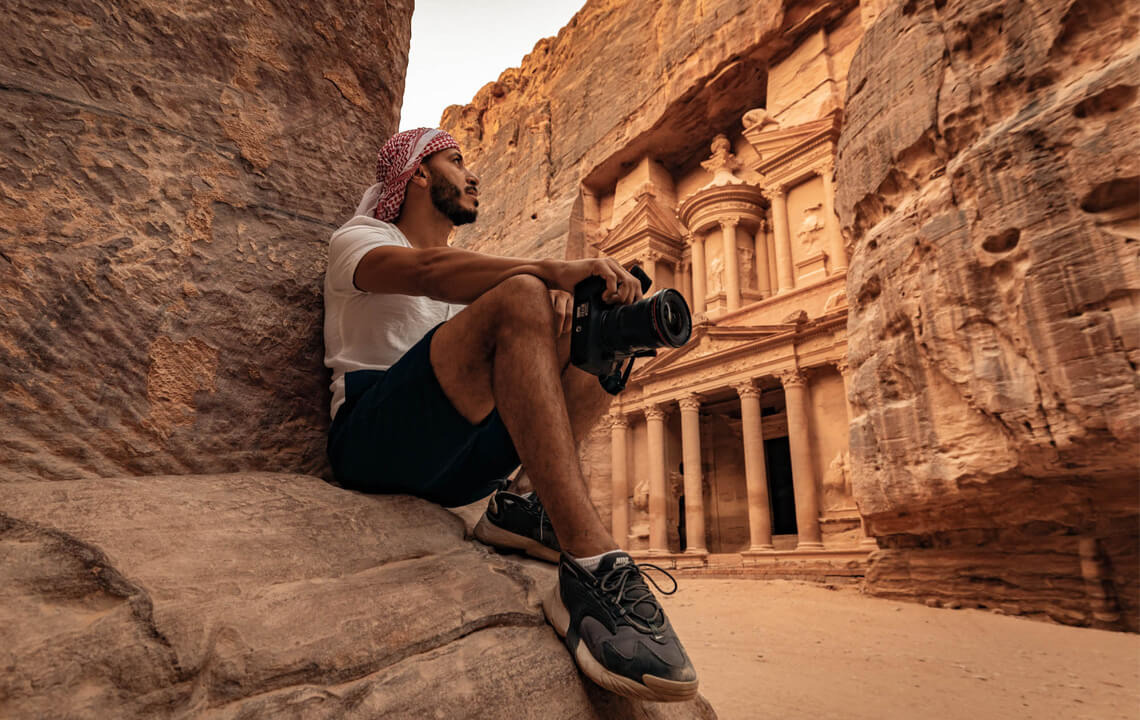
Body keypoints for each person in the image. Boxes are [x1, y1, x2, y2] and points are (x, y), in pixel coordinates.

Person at [323, 128, 698, 702]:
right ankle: (594, 565)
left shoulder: (464, 281)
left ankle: (521, 506)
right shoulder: (360, 238)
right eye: (456, 162)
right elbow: (425, 272)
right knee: (522, 292)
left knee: (597, 332)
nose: (473, 176)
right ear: (418, 174)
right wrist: (546, 273)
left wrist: (581, 320)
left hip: (456, 459)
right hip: (374, 441)